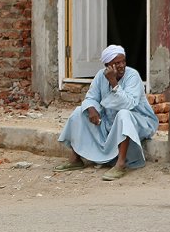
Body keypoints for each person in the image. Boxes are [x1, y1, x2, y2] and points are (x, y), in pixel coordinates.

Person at [54, 45, 159, 181]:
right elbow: (91, 97)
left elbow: (129, 104)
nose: (121, 66)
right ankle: (75, 159)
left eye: (123, 61)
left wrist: (113, 82)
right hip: (110, 121)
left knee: (123, 114)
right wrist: (91, 108)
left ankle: (120, 165)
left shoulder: (133, 76)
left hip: (138, 122)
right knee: (79, 112)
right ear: (107, 65)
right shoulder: (100, 76)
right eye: (117, 63)